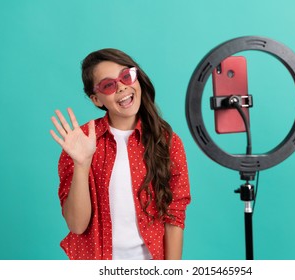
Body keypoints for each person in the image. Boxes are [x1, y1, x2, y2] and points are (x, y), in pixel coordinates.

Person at [50, 48, 191, 260]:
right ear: (96, 99)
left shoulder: (168, 142)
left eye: (126, 76)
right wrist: (82, 163)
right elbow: (77, 226)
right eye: (108, 85)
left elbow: (174, 217)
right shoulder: (81, 141)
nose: (122, 86)